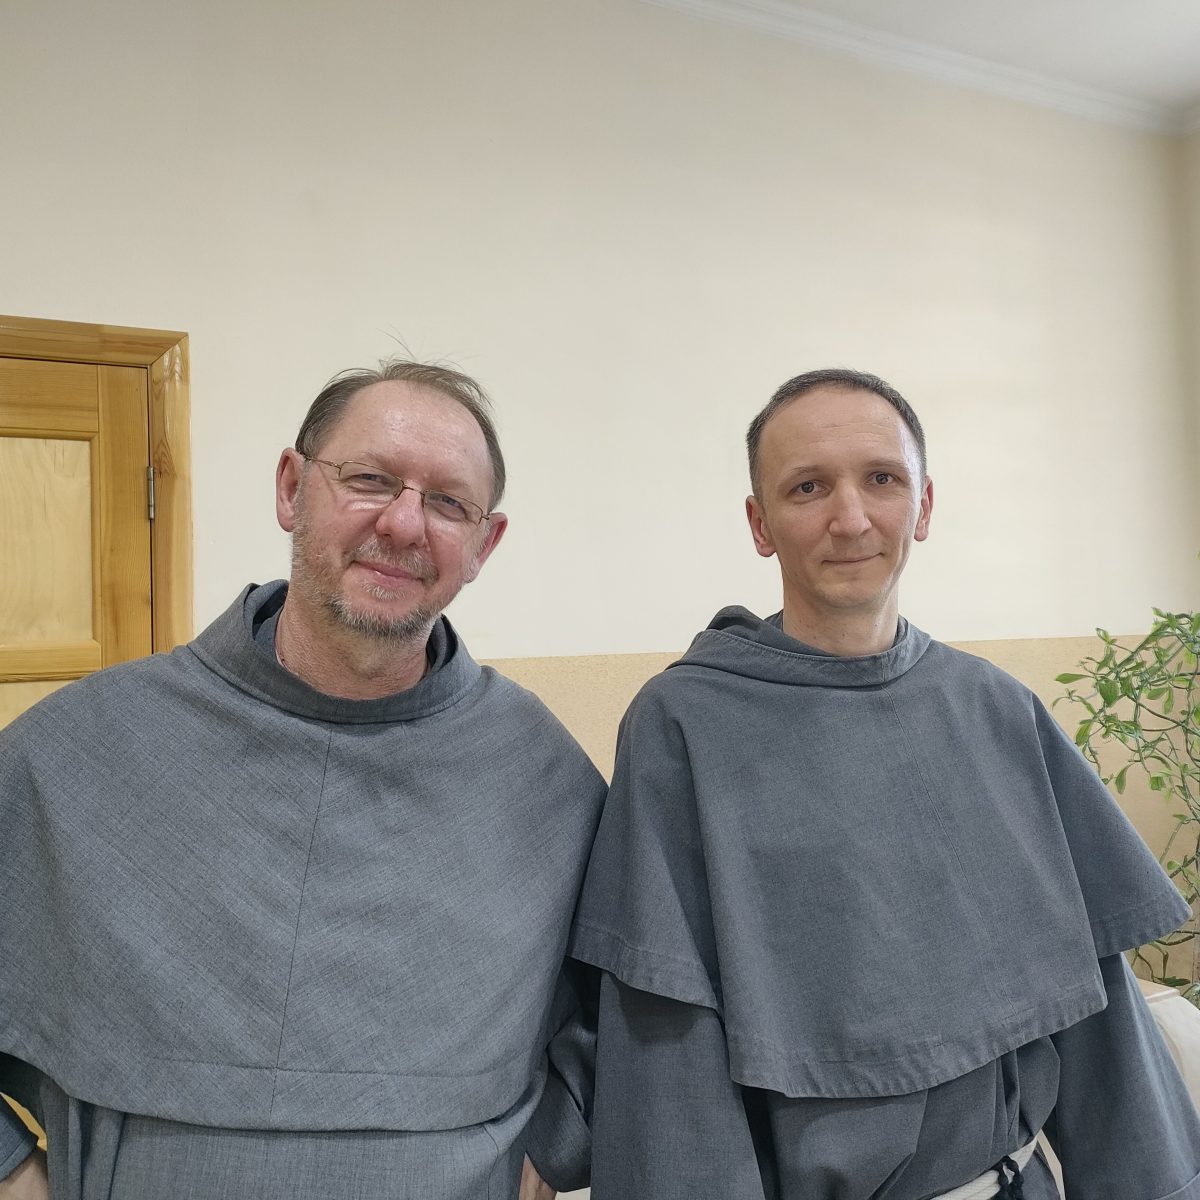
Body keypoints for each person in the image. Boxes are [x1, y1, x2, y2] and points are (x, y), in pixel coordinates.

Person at [571, 368, 1200, 1199]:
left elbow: (1096, 1007)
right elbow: (667, 1044)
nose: (851, 518)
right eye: (807, 487)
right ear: (761, 524)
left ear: (924, 506)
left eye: (882, 479)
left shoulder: (995, 709)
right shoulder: (683, 726)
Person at [0, 360, 605, 1200]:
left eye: (447, 503)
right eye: (369, 480)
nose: (403, 523)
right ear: (291, 488)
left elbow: (628, 1006)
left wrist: (554, 1152)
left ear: (483, 545)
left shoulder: (543, 778)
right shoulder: (79, 749)